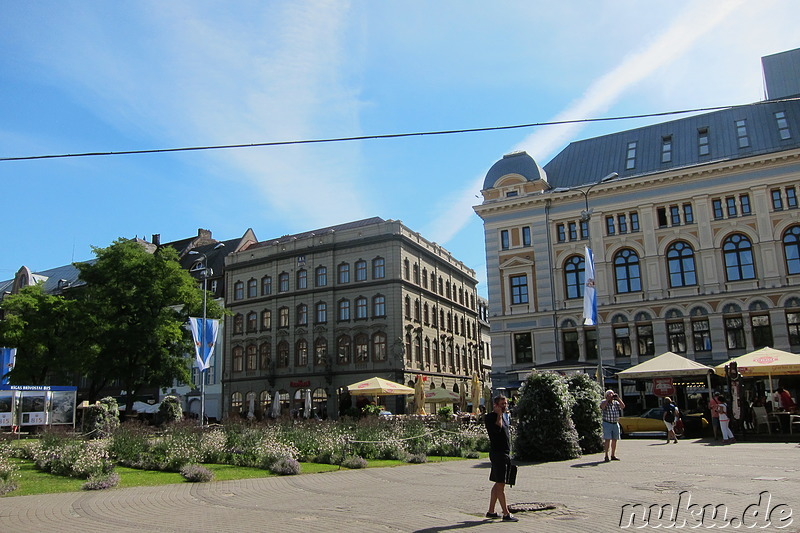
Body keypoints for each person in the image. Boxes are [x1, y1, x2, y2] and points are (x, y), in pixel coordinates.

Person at [484, 395, 518, 522]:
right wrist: (498, 415)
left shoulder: (505, 416)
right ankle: (506, 513)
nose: (505, 406)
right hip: (498, 454)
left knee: (498, 482)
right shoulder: (490, 417)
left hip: (504, 454)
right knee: (501, 484)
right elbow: (497, 430)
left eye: (506, 403)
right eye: (502, 404)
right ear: (496, 405)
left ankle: (491, 511)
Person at [600, 389, 625, 462]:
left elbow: (623, 406)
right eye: (610, 394)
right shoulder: (604, 402)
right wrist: (607, 399)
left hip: (615, 423)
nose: (611, 396)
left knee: (615, 440)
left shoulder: (616, 403)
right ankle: (606, 456)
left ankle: (613, 455)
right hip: (607, 423)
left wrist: (618, 398)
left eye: (612, 394)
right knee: (607, 439)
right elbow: (602, 407)